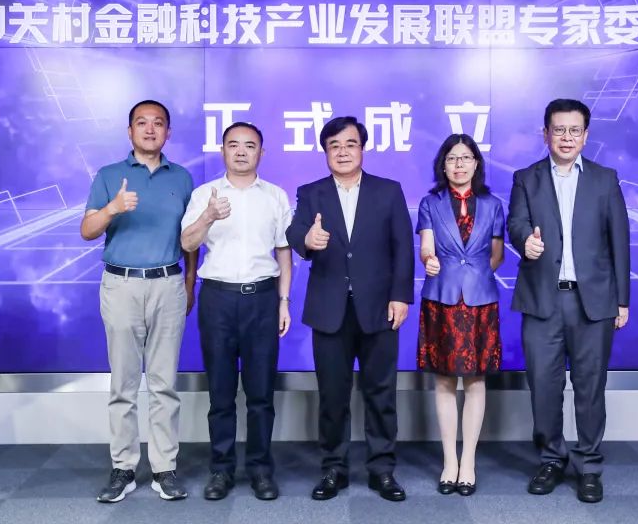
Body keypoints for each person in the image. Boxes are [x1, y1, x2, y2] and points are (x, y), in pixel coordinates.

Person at [507, 98, 630, 504]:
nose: (566, 137)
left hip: (592, 302)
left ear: (586, 136)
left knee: (590, 387)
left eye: (574, 130)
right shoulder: (526, 178)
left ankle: (589, 466)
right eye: (558, 129)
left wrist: (622, 300)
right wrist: (525, 241)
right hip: (542, 300)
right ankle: (551, 459)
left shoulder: (605, 179)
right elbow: (516, 222)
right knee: (544, 386)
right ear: (545, 134)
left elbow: (620, 241)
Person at [285, 116, 414, 503]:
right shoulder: (311, 192)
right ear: (325, 152)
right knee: (333, 395)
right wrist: (307, 240)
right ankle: (333, 469)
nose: (342, 151)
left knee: (381, 393)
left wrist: (401, 296)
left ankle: (382, 469)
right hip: (330, 310)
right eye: (334, 146)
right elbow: (296, 232)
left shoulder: (388, 191)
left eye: (350, 144)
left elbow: (403, 247)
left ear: (362, 148)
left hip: (380, 308)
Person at [80, 99, 197, 504]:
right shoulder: (109, 175)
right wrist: (113, 208)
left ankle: (165, 468)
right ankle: (124, 468)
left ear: (168, 132)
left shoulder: (182, 178)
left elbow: (190, 239)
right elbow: (87, 230)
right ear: (129, 131)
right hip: (122, 285)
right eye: (142, 123)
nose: (150, 129)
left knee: (164, 384)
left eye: (158, 123)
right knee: (124, 383)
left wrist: (190, 283)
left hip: (169, 284)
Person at [180, 122, 292, 502]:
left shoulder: (275, 196)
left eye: (250, 145)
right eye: (233, 145)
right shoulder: (204, 194)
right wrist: (208, 216)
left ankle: (260, 470)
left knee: (261, 394)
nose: (241, 151)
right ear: (223, 151)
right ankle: (221, 470)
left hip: (262, 299)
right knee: (221, 394)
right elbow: (187, 242)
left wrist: (283, 301)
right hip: (218, 300)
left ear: (262, 152)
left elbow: (283, 252)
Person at [416, 134, 505, 497]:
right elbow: (425, 246)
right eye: (452, 158)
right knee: (443, 381)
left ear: (476, 163)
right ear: (443, 164)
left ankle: (468, 462)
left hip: (480, 300)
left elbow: (496, 254)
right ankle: (449, 462)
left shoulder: (493, 204)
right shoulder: (430, 203)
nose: (459, 164)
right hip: (442, 297)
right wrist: (429, 260)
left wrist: (477, 276)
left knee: (476, 381)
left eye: (466, 158)